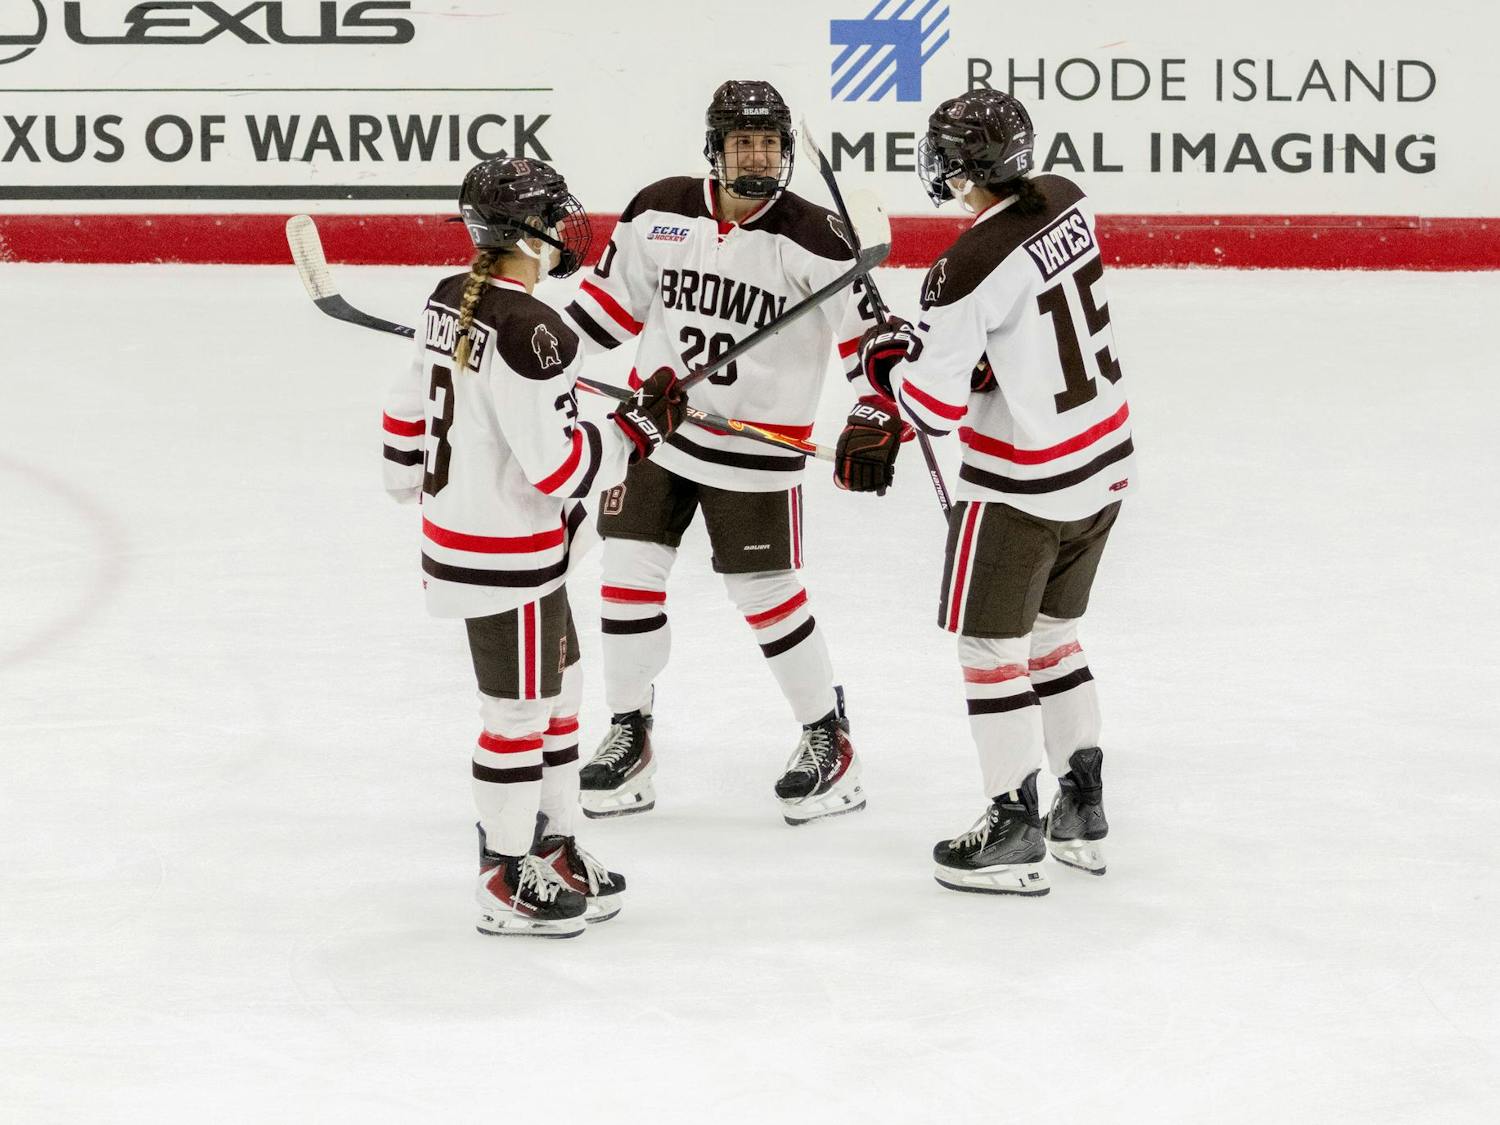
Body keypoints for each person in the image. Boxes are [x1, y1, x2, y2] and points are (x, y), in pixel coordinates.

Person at [561, 79, 889, 825]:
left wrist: (877, 408)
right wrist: (530, 348)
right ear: (713, 147)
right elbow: (601, 318)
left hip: (755, 450)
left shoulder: (817, 238)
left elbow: (872, 342)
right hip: (655, 432)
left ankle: (827, 737)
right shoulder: (659, 211)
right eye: (741, 141)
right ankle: (629, 729)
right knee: (627, 577)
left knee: (766, 594)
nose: (757, 156)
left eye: (770, 143)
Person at [381, 156, 685, 936]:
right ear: (526, 232)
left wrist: (406, 479)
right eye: (553, 214)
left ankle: (552, 844)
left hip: (488, 537)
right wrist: (632, 434)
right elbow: (559, 467)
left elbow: (405, 414)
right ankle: (503, 872)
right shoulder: (534, 329)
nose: (564, 227)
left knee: (562, 693)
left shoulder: (449, 296)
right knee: (516, 715)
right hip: (505, 554)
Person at [845, 89, 1135, 895]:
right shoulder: (1068, 201)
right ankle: (1081, 807)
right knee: (1054, 640)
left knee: (990, 650)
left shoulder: (962, 268)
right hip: (1103, 467)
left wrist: (886, 365)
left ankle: (1012, 823)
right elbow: (1021, 326)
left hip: (1024, 484)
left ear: (961, 166)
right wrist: (939, 350)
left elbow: (931, 407)